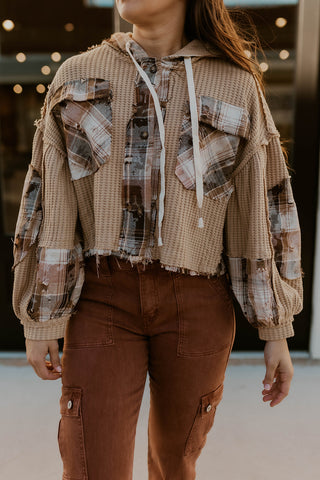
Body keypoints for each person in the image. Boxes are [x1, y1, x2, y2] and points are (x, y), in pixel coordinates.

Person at [11, 0, 304, 478]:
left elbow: (262, 207)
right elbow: (49, 201)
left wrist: (276, 330)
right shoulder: (78, 75)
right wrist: (42, 316)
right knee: (91, 467)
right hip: (103, 297)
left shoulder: (235, 83)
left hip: (198, 303)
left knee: (175, 464)